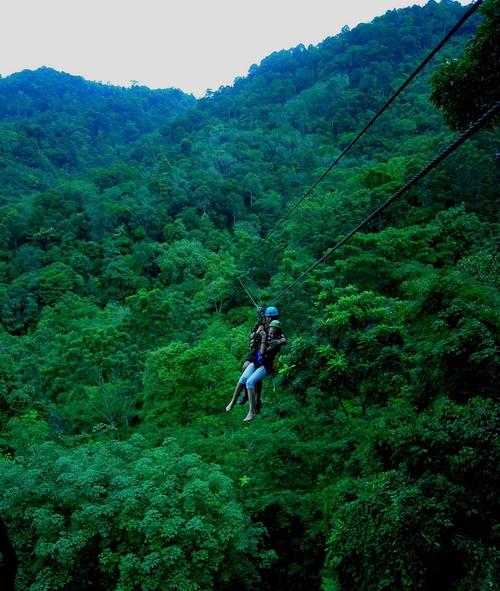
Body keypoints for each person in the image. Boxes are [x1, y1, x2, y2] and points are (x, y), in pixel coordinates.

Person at [226, 319, 287, 422]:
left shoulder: (275, 342)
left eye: (273, 329)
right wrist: (258, 334)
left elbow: (263, 351)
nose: (271, 330)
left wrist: (264, 339)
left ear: (277, 330)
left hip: (266, 365)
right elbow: (253, 341)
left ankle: (251, 411)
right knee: (243, 379)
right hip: (256, 361)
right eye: (271, 328)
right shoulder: (267, 335)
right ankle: (233, 401)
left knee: (250, 382)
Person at [237, 306, 280, 410]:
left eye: (272, 318)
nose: (270, 319)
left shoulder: (276, 327)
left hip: (266, 355)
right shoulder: (261, 324)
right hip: (256, 352)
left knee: (256, 375)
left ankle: (257, 400)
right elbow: (253, 335)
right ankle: (246, 395)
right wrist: (260, 315)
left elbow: (278, 341)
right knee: (244, 368)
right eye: (269, 317)